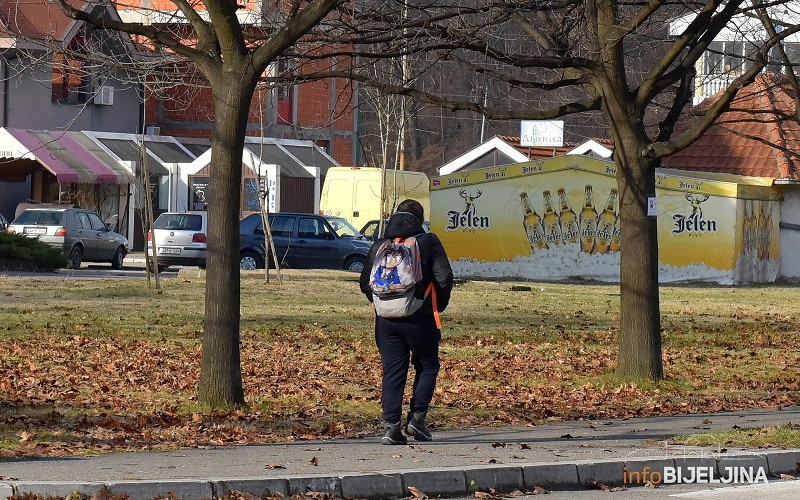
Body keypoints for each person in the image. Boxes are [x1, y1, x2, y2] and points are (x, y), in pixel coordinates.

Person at [359, 199, 453, 445]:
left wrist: (382, 303)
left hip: (385, 321)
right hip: (419, 317)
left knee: (392, 372)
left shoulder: (381, 244)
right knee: (428, 364)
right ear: (420, 221)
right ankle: (417, 420)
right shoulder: (428, 241)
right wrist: (433, 304)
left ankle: (391, 428)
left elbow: (364, 283)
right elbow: (444, 277)